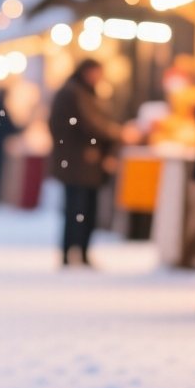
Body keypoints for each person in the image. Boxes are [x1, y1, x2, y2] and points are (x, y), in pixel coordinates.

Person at [48, 59, 137, 267]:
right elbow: (91, 124)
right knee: (78, 209)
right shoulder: (75, 93)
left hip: (81, 163)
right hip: (79, 162)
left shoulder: (81, 92)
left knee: (84, 209)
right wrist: (119, 134)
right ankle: (72, 252)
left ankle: (79, 251)